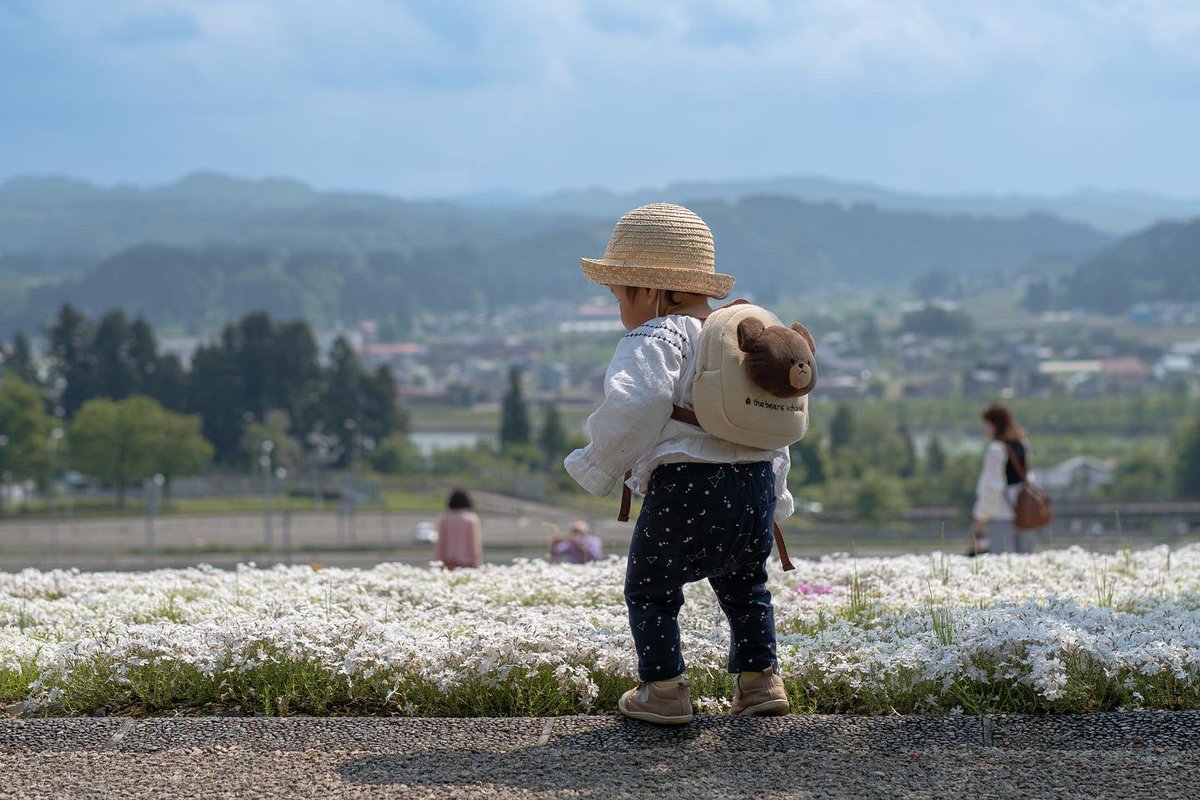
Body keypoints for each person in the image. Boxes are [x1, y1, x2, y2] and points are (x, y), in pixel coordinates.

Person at [564, 203, 795, 725]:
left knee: (651, 587)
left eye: (619, 295)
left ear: (650, 291)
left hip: (688, 485)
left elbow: (637, 404)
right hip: (755, 486)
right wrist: (776, 500)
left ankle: (663, 689)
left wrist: (597, 464)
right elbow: (770, 425)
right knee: (746, 585)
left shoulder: (657, 336)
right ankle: (760, 682)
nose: (619, 308)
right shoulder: (740, 341)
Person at [971, 401, 1035, 555]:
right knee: (1026, 561)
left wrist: (980, 515)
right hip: (1025, 512)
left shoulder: (996, 449)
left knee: (1002, 561)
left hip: (1002, 513)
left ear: (992, 425)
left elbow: (992, 486)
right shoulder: (1022, 444)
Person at [434, 488, 482, 569]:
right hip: (467, 562)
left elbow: (441, 542)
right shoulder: (471, 519)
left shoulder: (445, 518)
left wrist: (437, 561)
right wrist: (477, 562)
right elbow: (474, 544)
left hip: (449, 561)